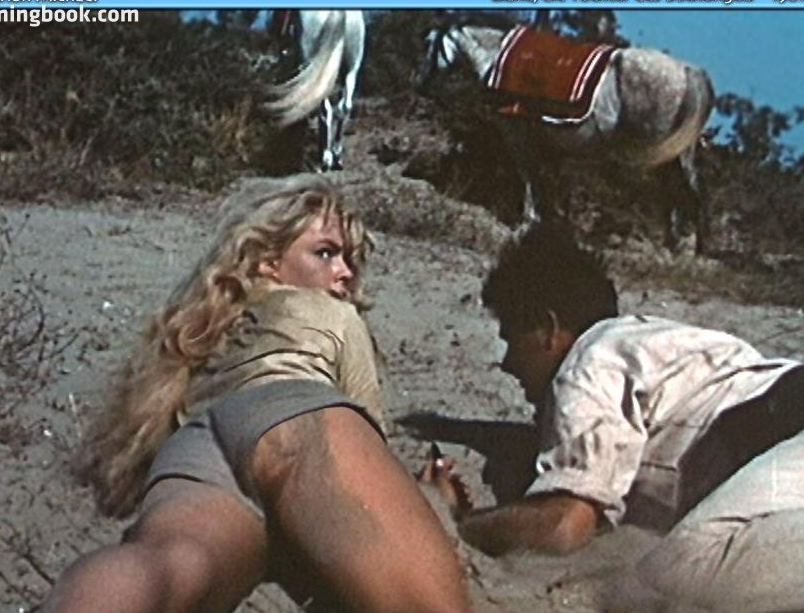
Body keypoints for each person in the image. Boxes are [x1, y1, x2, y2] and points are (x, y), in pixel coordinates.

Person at [43, 176, 471, 613]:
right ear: (268, 260)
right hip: (291, 411)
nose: (344, 272)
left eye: (349, 259)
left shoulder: (213, 325)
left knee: (167, 562)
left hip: (197, 445)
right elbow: (366, 436)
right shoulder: (333, 313)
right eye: (325, 253)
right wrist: (431, 495)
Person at [434, 221, 804, 612]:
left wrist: (450, 519)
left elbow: (564, 526)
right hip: (780, 431)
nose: (507, 363)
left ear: (548, 328)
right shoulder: (649, 343)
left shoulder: (586, 362)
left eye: (510, 339)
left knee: (675, 575)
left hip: (781, 430)